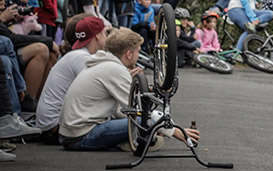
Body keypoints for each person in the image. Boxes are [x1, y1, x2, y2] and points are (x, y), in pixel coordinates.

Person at [58, 28, 199, 151]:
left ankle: (131, 139)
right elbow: (138, 111)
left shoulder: (102, 63)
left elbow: (121, 111)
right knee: (144, 123)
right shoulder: (115, 70)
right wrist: (175, 131)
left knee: (148, 124)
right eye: (138, 51)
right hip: (81, 136)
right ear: (129, 54)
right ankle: (135, 140)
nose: (138, 55)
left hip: (70, 133)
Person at [35, 15, 107, 139]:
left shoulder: (77, 55)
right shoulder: (81, 58)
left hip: (51, 124)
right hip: (55, 127)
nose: (107, 37)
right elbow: (99, 92)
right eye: (105, 33)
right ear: (97, 36)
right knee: (128, 124)